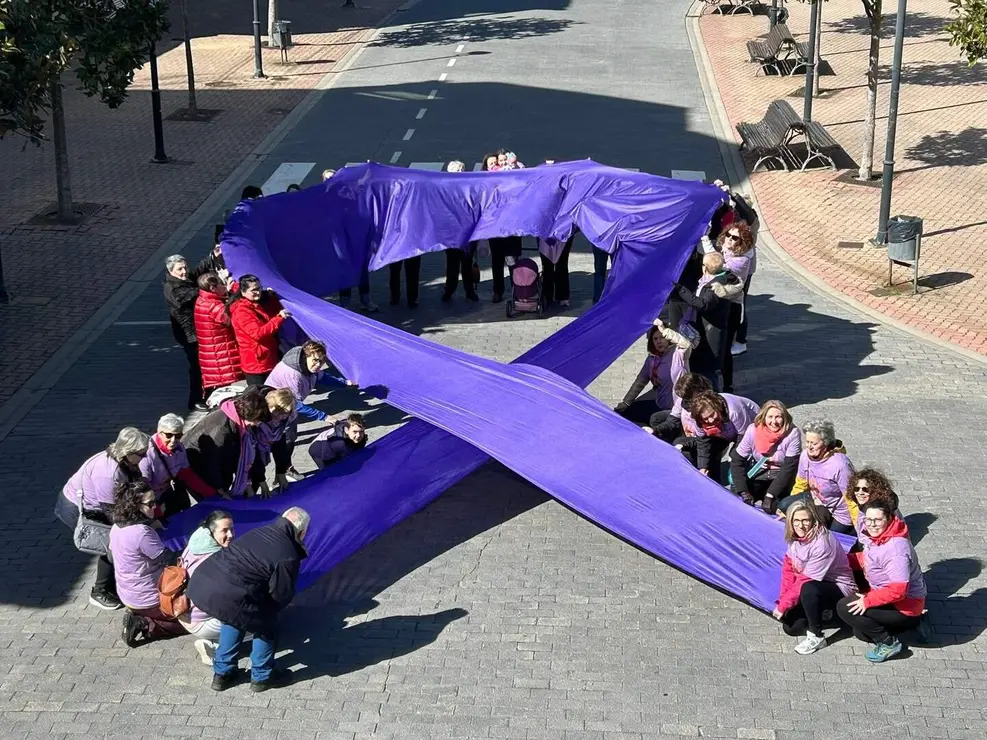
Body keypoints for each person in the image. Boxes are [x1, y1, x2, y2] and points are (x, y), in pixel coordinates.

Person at [187, 507, 311, 692]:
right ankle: (262, 676)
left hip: (201, 583)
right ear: (302, 533)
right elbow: (281, 595)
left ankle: (223, 673)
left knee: (235, 616)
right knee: (267, 622)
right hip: (229, 592)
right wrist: (267, 614)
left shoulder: (261, 531)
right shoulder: (288, 554)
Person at [55, 427, 150, 610]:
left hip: (99, 505)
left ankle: (114, 584)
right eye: (141, 454)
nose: (144, 457)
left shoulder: (125, 462)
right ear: (127, 452)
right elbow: (115, 514)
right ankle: (99, 592)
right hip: (76, 508)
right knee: (112, 545)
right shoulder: (107, 473)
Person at [837, 500, 927, 662]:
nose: (872, 524)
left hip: (904, 606)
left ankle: (889, 643)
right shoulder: (879, 537)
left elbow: (898, 591)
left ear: (889, 519)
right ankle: (911, 629)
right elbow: (869, 559)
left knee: (845, 608)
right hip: (890, 598)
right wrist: (840, 561)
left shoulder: (896, 550)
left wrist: (867, 601)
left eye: (877, 520)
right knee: (861, 632)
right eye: (868, 520)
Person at [772, 501, 856, 655]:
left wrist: (784, 605)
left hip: (838, 588)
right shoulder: (795, 537)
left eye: (805, 520)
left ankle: (816, 636)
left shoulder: (822, 543)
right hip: (816, 582)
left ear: (813, 520)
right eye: (796, 521)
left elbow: (805, 580)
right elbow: (788, 569)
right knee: (791, 627)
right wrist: (783, 599)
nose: (801, 525)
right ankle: (826, 613)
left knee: (808, 589)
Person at [109, 481, 186, 647]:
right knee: (193, 622)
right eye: (150, 504)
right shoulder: (141, 533)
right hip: (149, 598)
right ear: (135, 506)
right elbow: (170, 560)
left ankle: (140, 615)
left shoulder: (116, 527)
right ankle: (147, 625)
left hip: (127, 594)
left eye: (155, 501)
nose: (155, 507)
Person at [264, 341, 351, 479]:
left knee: (289, 438)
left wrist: (344, 384)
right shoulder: (293, 374)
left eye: (322, 362)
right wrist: (324, 417)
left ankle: (284, 470)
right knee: (282, 441)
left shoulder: (309, 367)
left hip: (288, 410)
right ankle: (281, 473)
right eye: (315, 360)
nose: (318, 365)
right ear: (306, 356)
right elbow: (296, 404)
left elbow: (322, 377)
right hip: (277, 410)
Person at [673, 252, 743, 391]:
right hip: (712, 330)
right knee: (706, 369)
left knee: (707, 370)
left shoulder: (714, 288)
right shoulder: (726, 277)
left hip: (710, 334)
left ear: (706, 268)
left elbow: (701, 304)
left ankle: (714, 399)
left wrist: (681, 289)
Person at [184, 386, 271, 498]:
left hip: (214, 462)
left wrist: (251, 481)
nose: (257, 424)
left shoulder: (236, 421)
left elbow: (238, 454)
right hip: (195, 464)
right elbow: (211, 462)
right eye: (256, 421)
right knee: (213, 501)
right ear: (249, 415)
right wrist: (219, 489)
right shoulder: (220, 429)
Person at [779, 419, 855, 535]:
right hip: (816, 498)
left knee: (830, 537)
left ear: (826, 443)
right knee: (785, 505)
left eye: (814, 443)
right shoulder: (805, 456)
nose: (809, 447)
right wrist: (792, 510)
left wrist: (860, 525)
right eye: (807, 442)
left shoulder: (840, 465)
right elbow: (800, 483)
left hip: (839, 510)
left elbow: (851, 498)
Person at [178, 510, 235, 665]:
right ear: (212, 531)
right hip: (200, 620)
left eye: (231, 529)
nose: (230, 534)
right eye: (224, 530)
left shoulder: (195, 542)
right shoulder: (216, 560)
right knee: (253, 622)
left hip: (182, 611)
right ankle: (214, 646)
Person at [164, 253, 219, 411]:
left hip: (195, 333)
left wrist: (211, 256)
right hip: (190, 336)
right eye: (180, 269)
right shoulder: (173, 288)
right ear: (171, 271)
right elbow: (193, 293)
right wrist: (212, 288)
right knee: (197, 367)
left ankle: (206, 394)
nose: (184, 271)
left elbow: (196, 273)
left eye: (185, 267)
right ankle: (196, 399)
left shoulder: (183, 279)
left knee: (203, 365)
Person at [614, 320, 695, 425]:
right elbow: (640, 381)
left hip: (678, 407)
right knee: (629, 411)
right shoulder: (652, 359)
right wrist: (626, 402)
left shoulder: (678, 353)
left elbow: (686, 345)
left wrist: (666, 331)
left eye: (661, 337)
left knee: (655, 420)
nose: (658, 341)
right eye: (655, 339)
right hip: (661, 402)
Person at [139, 413, 222, 515]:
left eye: (178, 435)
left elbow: (187, 475)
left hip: (167, 491)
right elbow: (143, 488)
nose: (173, 441)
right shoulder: (147, 454)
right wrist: (156, 513)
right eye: (169, 435)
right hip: (150, 499)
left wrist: (213, 494)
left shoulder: (180, 448)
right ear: (159, 433)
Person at [729, 400, 801, 511]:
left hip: (781, 475)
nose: (774, 421)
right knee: (737, 496)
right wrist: (743, 491)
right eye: (770, 417)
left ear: (785, 417)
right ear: (763, 417)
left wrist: (770, 495)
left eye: (778, 417)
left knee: (772, 507)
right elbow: (737, 460)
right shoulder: (753, 430)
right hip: (759, 472)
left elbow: (788, 468)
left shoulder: (793, 433)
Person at [675, 390, 758, 484]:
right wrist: (703, 467)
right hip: (724, 430)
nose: (710, 420)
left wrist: (734, 456)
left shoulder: (734, 411)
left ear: (716, 407)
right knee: (711, 452)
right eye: (705, 418)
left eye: (712, 415)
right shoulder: (698, 420)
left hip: (749, 426)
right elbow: (703, 443)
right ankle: (716, 483)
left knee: (736, 458)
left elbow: (744, 436)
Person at [229, 274, 290, 385]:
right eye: (254, 290)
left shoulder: (255, 304)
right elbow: (258, 333)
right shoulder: (241, 311)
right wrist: (279, 318)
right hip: (256, 362)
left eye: (259, 288)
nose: (258, 292)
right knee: (257, 398)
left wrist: (272, 297)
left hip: (266, 358)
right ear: (243, 292)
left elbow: (272, 311)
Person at [194, 272, 243, 401]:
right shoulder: (214, 306)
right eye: (221, 284)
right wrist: (236, 295)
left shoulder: (202, 300)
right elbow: (233, 319)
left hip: (211, 355)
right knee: (224, 394)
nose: (224, 286)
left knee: (219, 391)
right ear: (212, 288)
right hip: (221, 357)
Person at [717, 222, 755, 384]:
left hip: (731, 307)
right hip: (716, 304)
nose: (730, 240)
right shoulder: (722, 250)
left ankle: (727, 384)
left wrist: (706, 245)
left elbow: (718, 268)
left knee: (725, 348)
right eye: (728, 235)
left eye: (735, 238)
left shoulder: (742, 261)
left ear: (742, 242)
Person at [482, 154, 522, 303]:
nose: (502, 163)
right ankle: (498, 290)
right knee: (497, 261)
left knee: (512, 261)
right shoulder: (490, 182)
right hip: (496, 228)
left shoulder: (515, 176)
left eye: (504, 160)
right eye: (500, 161)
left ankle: (517, 289)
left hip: (512, 228)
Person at [441, 161, 479, 303]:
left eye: (462, 169)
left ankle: (469, 291)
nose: (461, 172)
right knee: (452, 264)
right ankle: (449, 289)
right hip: (452, 234)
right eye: (458, 170)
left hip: (468, 233)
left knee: (467, 263)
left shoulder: (469, 187)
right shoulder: (445, 190)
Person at [253, 387, 299, 494]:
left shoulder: (286, 418)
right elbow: (251, 454)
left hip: (261, 452)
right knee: (251, 482)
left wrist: (280, 472)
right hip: (247, 454)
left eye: (285, 413)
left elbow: (280, 443)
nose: (280, 417)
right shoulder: (256, 417)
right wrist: (261, 480)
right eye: (277, 413)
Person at [645, 372, 714, 443]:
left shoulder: (708, 405)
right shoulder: (683, 399)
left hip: (700, 438)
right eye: (684, 398)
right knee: (656, 418)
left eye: (688, 398)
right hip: (685, 426)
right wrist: (655, 429)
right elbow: (672, 421)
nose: (685, 401)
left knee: (678, 441)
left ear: (698, 390)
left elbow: (704, 438)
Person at [846, 468, 900, 539]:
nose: (860, 492)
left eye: (865, 489)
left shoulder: (877, 510)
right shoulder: (865, 503)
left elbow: (874, 536)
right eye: (856, 489)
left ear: (874, 490)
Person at [539, 234, 573, 308]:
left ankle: (556, 296)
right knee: (549, 264)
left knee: (560, 263)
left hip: (562, 231)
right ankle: (551, 296)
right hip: (550, 231)